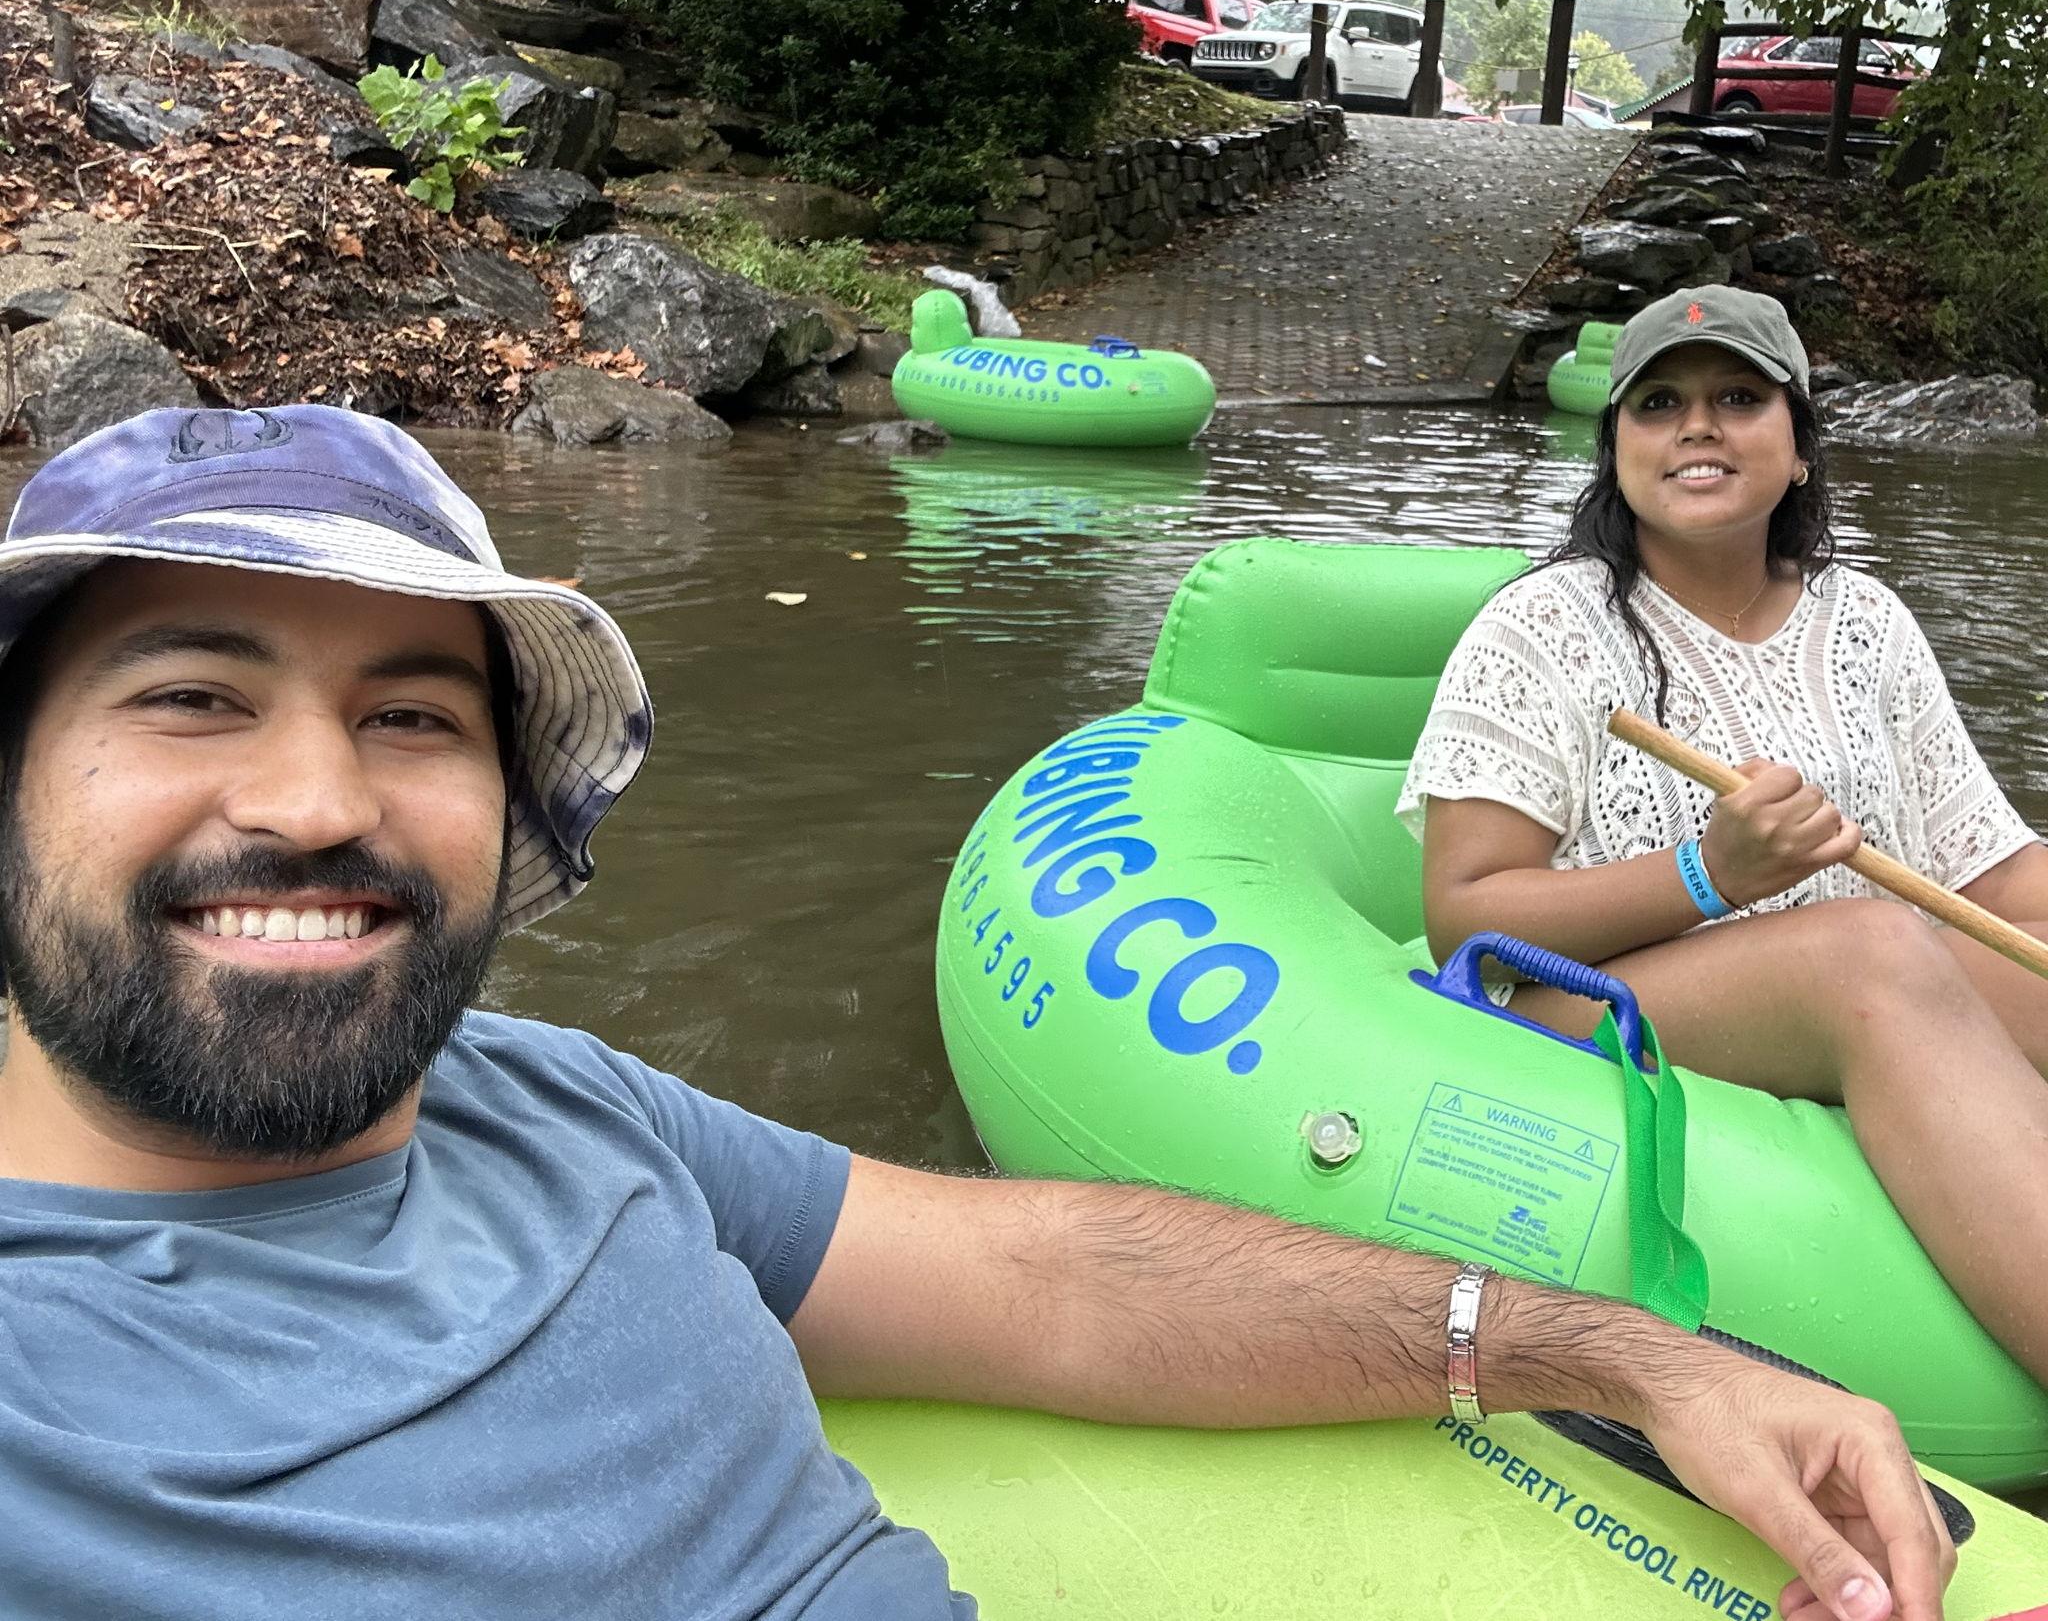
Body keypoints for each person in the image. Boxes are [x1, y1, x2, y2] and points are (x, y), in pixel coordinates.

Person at [0, 403, 1954, 1621]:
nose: (320, 801)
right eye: (189, 695)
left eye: (412, 717)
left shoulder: (541, 1101)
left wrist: (1626, 1358)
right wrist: (1710, 872)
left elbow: (1051, 1274)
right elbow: (1476, 899)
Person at [1404, 282, 2048, 1402]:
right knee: (1867, 947)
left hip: (1847, 973)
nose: (1695, 425)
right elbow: (1466, 916)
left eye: (1737, 396)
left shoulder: (1864, 619)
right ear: (1614, 453)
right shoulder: (1539, 627)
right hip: (1591, 1002)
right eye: (1656, 403)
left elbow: (1988, 871)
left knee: (1915, 947)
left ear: (1797, 445)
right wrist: (1709, 872)